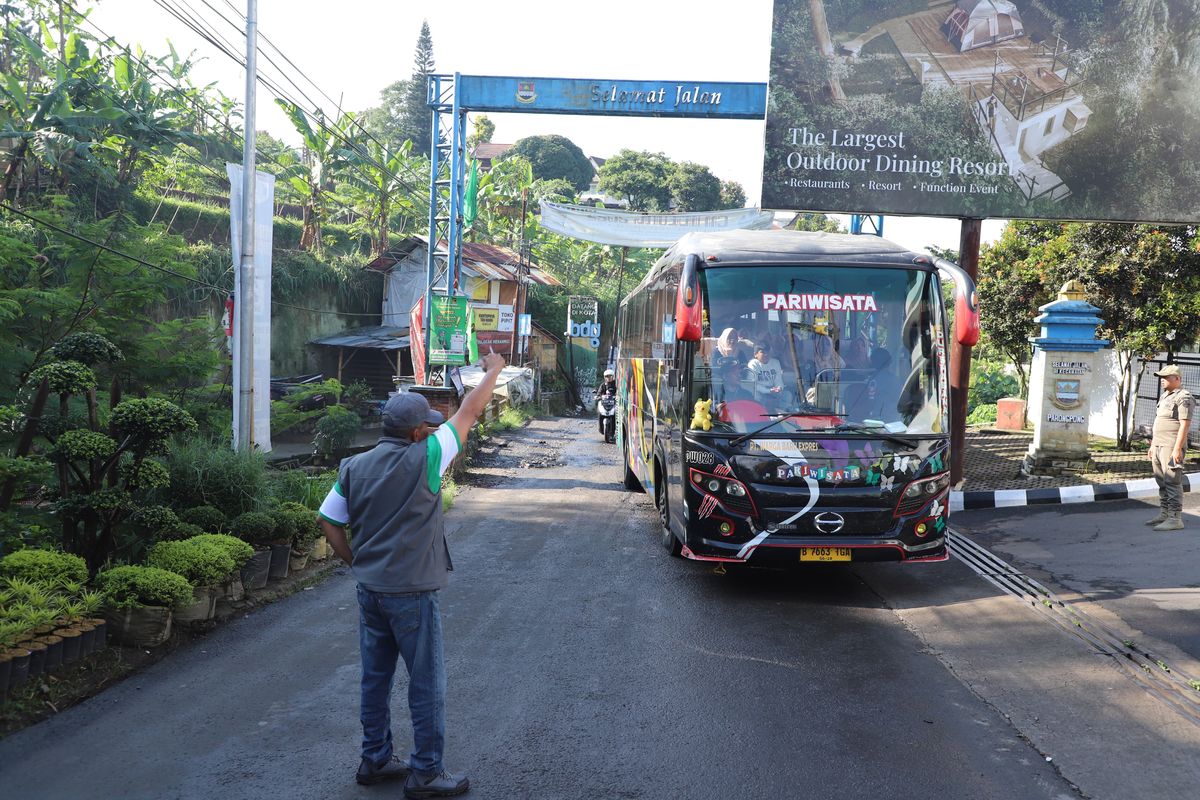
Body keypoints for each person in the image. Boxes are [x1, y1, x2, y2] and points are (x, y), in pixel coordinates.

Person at [318, 351, 507, 798]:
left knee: (375, 677)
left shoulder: (355, 466)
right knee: (425, 683)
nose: (432, 425)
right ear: (416, 431)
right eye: (426, 422)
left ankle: (375, 757)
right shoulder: (428, 455)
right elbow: (470, 410)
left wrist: (355, 562)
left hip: (371, 590)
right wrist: (494, 369)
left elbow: (329, 520)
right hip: (412, 594)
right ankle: (424, 772)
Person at [1146, 364, 1193, 531]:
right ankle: (1164, 513)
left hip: (1171, 445)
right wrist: (1153, 444)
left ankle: (1175, 518)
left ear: (1177, 379)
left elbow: (1185, 425)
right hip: (1159, 445)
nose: (1162, 380)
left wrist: (1177, 449)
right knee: (1161, 480)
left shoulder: (1184, 397)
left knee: (1172, 481)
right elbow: (1159, 421)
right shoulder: (1165, 396)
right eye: (1161, 377)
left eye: (1166, 377)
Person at [748, 344, 784, 408]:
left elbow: (778, 380)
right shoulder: (752, 364)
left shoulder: (776, 362)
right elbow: (754, 385)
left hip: (773, 391)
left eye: (767, 352)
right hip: (760, 392)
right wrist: (768, 391)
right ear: (755, 354)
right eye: (762, 352)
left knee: (787, 395)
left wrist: (779, 388)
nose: (766, 354)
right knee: (757, 397)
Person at [595, 368, 617, 434]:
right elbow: (599, 393)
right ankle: (601, 429)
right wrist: (598, 396)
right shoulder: (603, 385)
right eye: (606, 376)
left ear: (613, 376)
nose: (608, 378)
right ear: (604, 377)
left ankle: (613, 432)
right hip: (604, 404)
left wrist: (617, 396)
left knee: (615, 416)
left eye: (610, 376)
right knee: (600, 414)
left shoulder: (616, 385)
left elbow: (620, 392)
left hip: (613, 404)